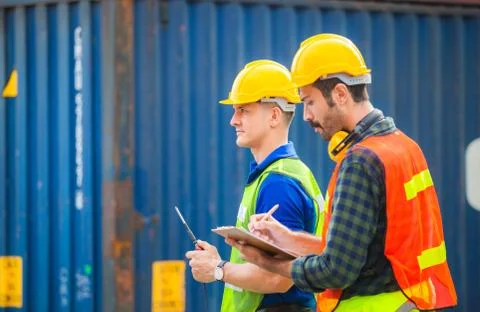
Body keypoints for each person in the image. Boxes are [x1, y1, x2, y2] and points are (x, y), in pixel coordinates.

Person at [228, 34, 457, 312]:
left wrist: (267, 263)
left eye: (310, 102)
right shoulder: (403, 146)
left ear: (339, 94)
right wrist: (289, 239)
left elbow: (336, 270)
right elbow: (358, 249)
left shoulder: (360, 162)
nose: (306, 115)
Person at [185, 59, 324, 312]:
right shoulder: (278, 174)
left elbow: (279, 278)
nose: (233, 121)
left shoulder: (279, 183)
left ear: (274, 115)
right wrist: (219, 261)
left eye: (243, 111)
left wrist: (218, 270)